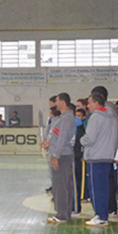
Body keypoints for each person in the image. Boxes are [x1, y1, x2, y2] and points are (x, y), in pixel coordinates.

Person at [79, 92, 117, 227]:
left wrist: (81, 139)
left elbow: (89, 138)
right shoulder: (112, 117)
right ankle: (103, 214)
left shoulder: (95, 117)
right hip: (107, 156)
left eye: (89, 103)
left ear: (96, 103)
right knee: (104, 187)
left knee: (95, 188)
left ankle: (100, 215)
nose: (87, 106)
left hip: (95, 157)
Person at [43, 93, 76, 225]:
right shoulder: (63, 118)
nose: (55, 103)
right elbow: (58, 139)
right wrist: (49, 145)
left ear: (62, 102)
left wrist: (55, 156)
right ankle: (64, 213)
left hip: (62, 156)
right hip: (60, 154)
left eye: (56, 100)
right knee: (61, 185)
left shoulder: (66, 118)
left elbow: (62, 140)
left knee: (61, 186)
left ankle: (62, 214)